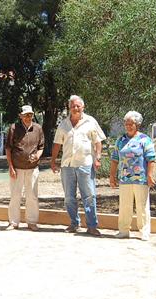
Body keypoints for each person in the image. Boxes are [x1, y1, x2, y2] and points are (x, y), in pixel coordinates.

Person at [50, 95, 106, 236]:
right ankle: (74, 224)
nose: (75, 108)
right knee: (69, 197)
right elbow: (57, 144)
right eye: (73, 106)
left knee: (89, 196)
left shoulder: (90, 121)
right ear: (69, 108)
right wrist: (53, 161)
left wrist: (97, 158)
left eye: (78, 106)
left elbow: (98, 142)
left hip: (85, 164)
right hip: (67, 166)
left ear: (83, 107)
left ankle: (92, 226)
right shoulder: (63, 124)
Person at [109, 111, 156, 241]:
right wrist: (112, 176)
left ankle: (144, 231)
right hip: (124, 178)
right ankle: (123, 230)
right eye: (126, 124)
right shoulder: (121, 140)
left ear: (138, 125)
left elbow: (151, 159)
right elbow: (114, 159)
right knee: (125, 206)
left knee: (142, 206)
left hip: (140, 179)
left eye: (131, 124)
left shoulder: (144, 139)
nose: (128, 126)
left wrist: (150, 175)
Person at [5, 105, 45, 231]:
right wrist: (10, 167)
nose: (28, 117)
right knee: (15, 195)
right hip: (17, 168)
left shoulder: (38, 128)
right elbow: (8, 149)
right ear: (20, 116)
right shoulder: (13, 128)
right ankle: (13, 222)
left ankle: (32, 222)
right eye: (25, 115)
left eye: (30, 115)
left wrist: (37, 156)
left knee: (32, 196)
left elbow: (41, 147)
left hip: (33, 168)